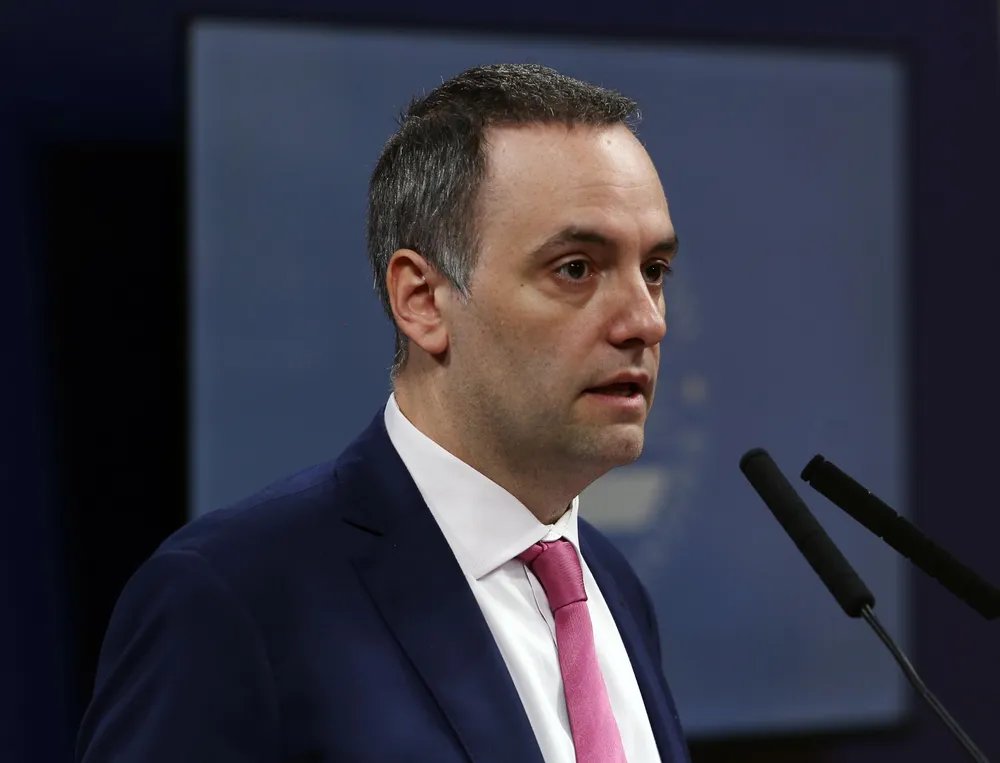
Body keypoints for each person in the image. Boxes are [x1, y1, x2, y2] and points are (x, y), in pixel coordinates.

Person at [76, 63, 690, 763]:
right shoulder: (230, 599)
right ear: (421, 300)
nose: (646, 321)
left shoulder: (608, 583)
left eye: (654, 271)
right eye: (575, 268)